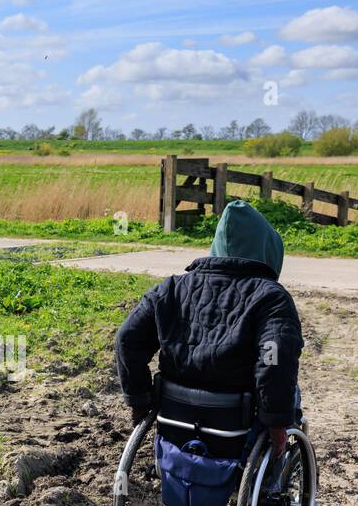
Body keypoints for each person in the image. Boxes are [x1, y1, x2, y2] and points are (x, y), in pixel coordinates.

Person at [114, 199, 303, 466]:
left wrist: (140, 401)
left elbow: (127, 339)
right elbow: (275, 359)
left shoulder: (170, 289)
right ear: (268, 250)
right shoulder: (271, 298)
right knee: (289, 391)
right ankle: (270, 478)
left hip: (175, 414)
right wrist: (277, 423)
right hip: (235, 422)